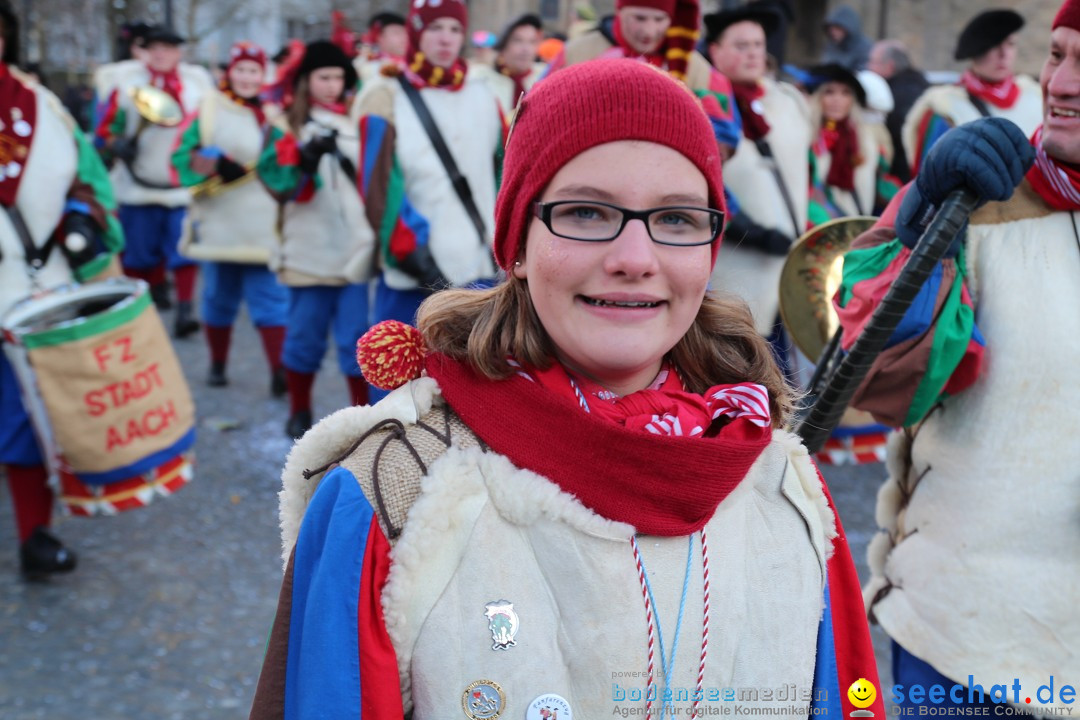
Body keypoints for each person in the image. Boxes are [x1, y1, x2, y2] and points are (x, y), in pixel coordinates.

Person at [248, 58, 883, 720]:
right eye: (585, 211)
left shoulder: (781, 485)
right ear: (516, 244)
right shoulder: (397, 494)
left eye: (676, 219)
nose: (636, 259)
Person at [835, 0, 1080, 712]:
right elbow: (878, 376)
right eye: (1058, 55)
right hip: (965, 639)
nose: (1059, 84)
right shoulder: (981, 204)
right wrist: (923, 224)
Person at [0, 0, 124, 578]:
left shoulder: (42, 104)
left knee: (29, 420)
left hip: (33, 293)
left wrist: (82, 217)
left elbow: (88, 179)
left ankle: (35, 534)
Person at [354, 0, 503, 369]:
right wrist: (410, 252)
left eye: (455, 29)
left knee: (478, 384)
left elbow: (503, 174)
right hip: (414, 271)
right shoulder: (385, 94)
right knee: (401, 383)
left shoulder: (484, 94)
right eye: (436, 28)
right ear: (417, 32)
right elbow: (378, 188)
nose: (446, 39)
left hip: (479, 267)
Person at [256, 41, 376, 439]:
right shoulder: (284, 127)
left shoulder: (358, 123)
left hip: (354, 249)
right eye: (323, 76)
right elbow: (277, 184)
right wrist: (303, 160)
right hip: (307, 250)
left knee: (356, 342)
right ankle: (299, 409)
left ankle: (361, 420)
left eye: (338, 76)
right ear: (306, 80)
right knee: (304, 338)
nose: (331, 84)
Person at [170, 41, 288, 394]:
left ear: (263, 74)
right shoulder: (208, 108)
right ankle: (217, 363)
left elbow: (285, 164)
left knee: (271, 304)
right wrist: (213, 163)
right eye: (242, 70)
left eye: (254, 70)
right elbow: (180, 157)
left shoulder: (274, 115)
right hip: (219, 225)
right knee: (218, 300)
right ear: (229, 72)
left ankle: (278, 373)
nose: (248, 77)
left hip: (262, 225)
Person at [94, 25, 214, 336]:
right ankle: (141, 315)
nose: (161, 54)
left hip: (180, 188)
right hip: (138, 188)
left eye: (167, 48)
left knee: (184, 250)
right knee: (139, 255)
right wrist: (115, 143)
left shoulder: (196, 88)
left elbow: (211, 129)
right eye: (154, 48)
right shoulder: (125, 87)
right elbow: (105, 130)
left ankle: (185, 311)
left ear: (178, 52)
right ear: (146, 51)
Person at [705, 5, 811, 336]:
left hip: (789, 264)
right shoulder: (705, 103)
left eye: (758, 45)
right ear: (715, 51)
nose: (753, 54)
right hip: (732, 266)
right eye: (741, 45)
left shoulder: (790, 101)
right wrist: (747, 230)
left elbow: (808, 174)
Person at [545, 0, 741, 161]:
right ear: (620, 11)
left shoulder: (696, 68)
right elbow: (540, 111)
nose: (649, 31)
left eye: (659, 19)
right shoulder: (577, 53)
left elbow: (724, 137)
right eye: (639, 18)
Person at [902, 9, 1042, 176]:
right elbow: (931, 180)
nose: (1004, 54)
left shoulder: (1035, 97)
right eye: (995, 45)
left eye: (1010, 44)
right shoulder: (946, 107)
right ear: (976, 50)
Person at [806, 64, 898, 223]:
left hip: (856, 222)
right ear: (818, 97)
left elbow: (880, 187)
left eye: (845, 93)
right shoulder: (806, 137)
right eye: (829, 92)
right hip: (818, 225)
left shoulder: (865, 139)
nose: (837, 100)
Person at [866, 39, 929, 183]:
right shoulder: (921, 85)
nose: (868, 67)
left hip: (899, 178)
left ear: (889, 66)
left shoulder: (889, 98)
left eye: (872, 62)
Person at [473, 12, 544, 114]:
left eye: (532, 42)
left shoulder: (545, 76)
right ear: (504, 45)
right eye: (518, 40)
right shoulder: (481, 79)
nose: (526, 49)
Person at [354, 11, 407, 84]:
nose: (404, 37)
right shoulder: (367, 67)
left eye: (406, 33)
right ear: (379, 37)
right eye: (397, 33)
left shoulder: (416, 65)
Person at [820, 5, 872, 72]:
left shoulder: (865, 48)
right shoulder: (831, 45)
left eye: (837, 28)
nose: (833, 32)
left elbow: (864, 74)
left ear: (849, 28)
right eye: (830, 28)